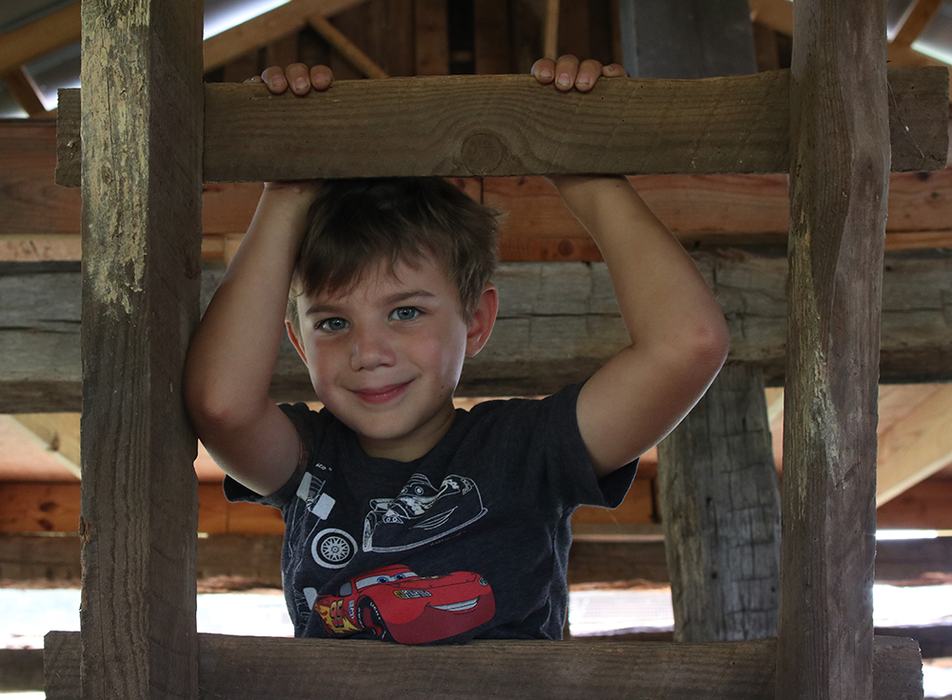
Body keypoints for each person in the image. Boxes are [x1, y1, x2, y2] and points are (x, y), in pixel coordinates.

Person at [184, 55, 730, 645]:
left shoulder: (526, 451)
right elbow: (220, 405)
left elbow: (688, 344)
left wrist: (583, 170)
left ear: (475, 321)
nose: (368, 352)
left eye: (405, 312)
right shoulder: (307, 461)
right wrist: (287, 193)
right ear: (298, 342)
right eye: (333, 323)